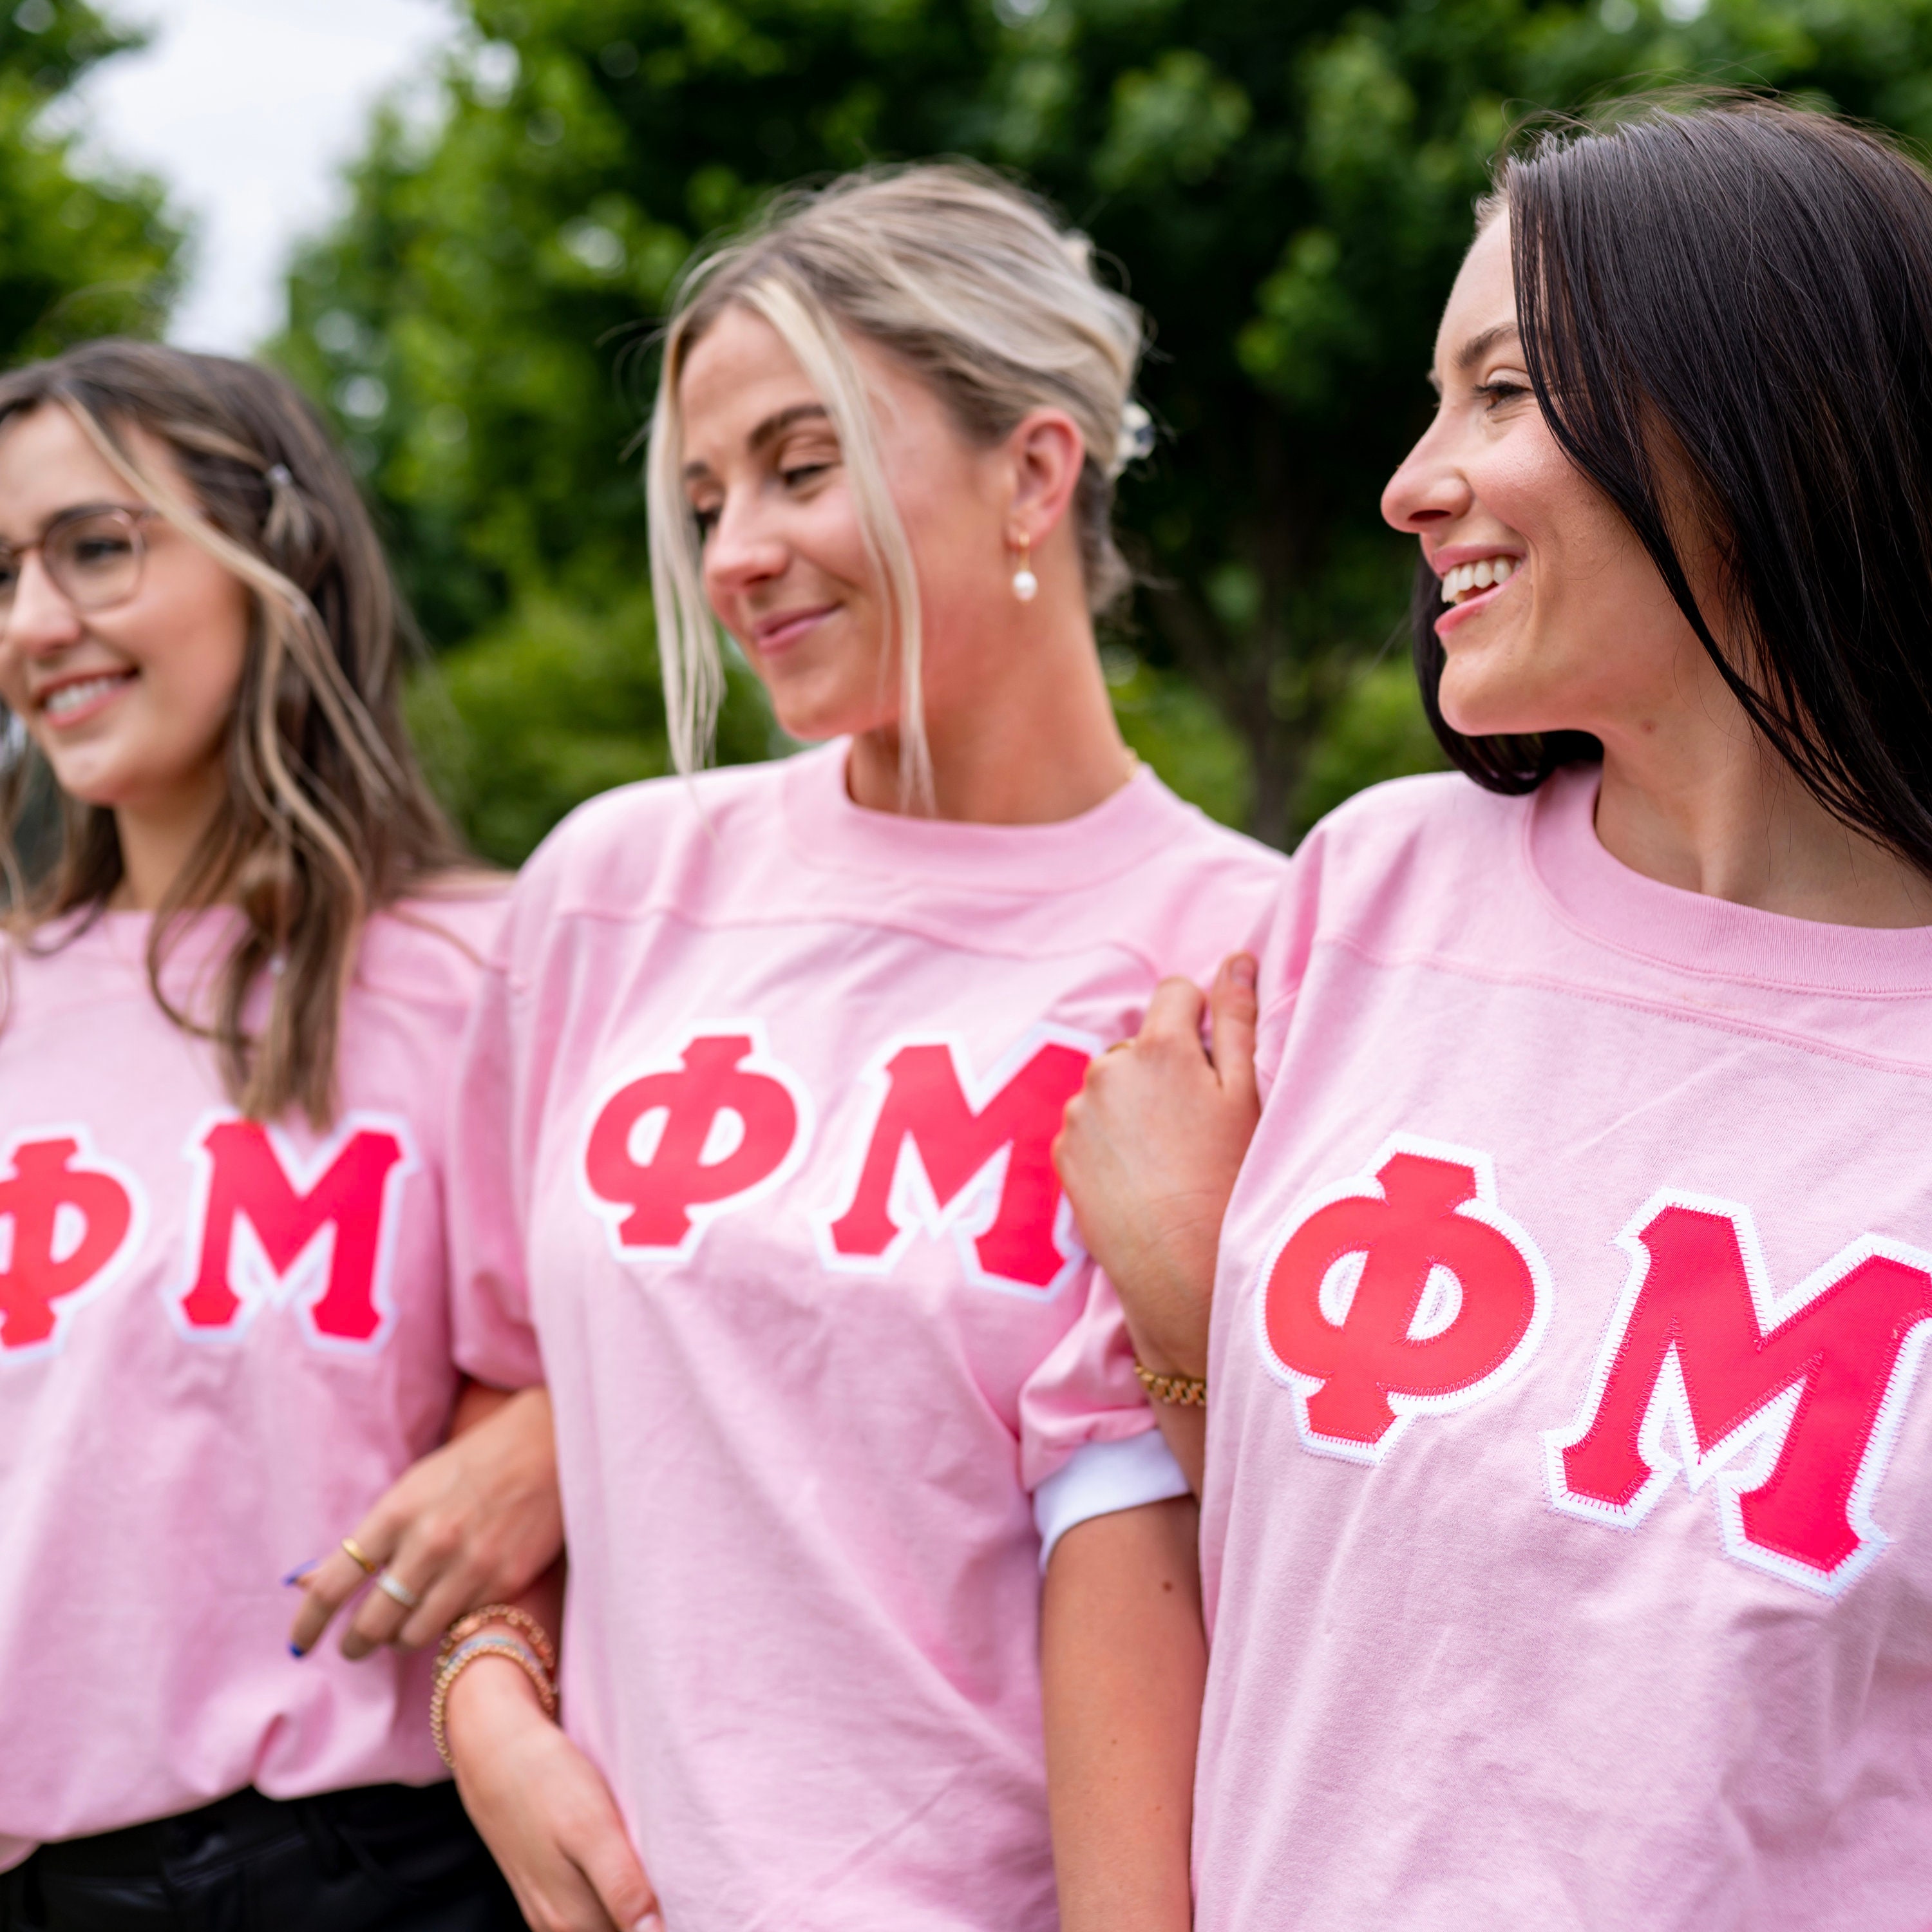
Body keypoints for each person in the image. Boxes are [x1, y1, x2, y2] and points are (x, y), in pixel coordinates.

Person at [1054, 97, 1932, 1929]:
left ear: (1774, 414)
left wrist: (1195, 1280)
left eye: (1504, 392)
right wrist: (1182, 1299)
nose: (1410, 482)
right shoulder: (1369, 900)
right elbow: (1243, 1532)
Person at [438, 163, 1291, 1932]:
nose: (735, 550)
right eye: (702, 494)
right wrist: (485, 1694)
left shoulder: (1247, 955)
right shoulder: (612, 891)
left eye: (801, 466)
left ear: (1037, 473)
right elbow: (505, 1379)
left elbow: (1221, 1534)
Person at [0, 341, 562, 1931]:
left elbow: (681, 1349)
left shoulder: (490, 969)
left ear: (283, 555)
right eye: (4, 574)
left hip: (378, 1869)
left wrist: (551, 1438)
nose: (38, 624)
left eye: (96, 547)